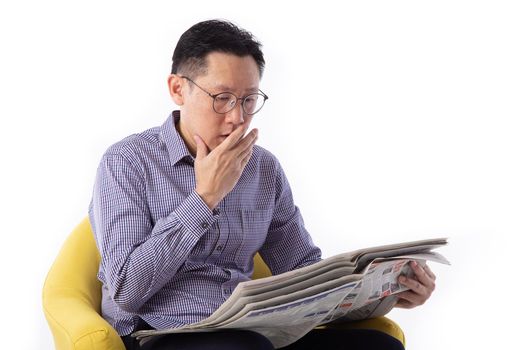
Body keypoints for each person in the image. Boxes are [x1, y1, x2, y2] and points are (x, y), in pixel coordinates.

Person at [89, 19, 436, 350]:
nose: (237, 117)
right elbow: (125, 290)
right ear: (178, 89)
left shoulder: (263, 168)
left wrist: (387, 291)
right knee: (245, 346)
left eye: (249, 100)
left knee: (379, 345)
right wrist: (206, 197)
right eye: (222, 98)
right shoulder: (127, 162)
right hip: (162, 333)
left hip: (250, 332)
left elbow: (304, 276)